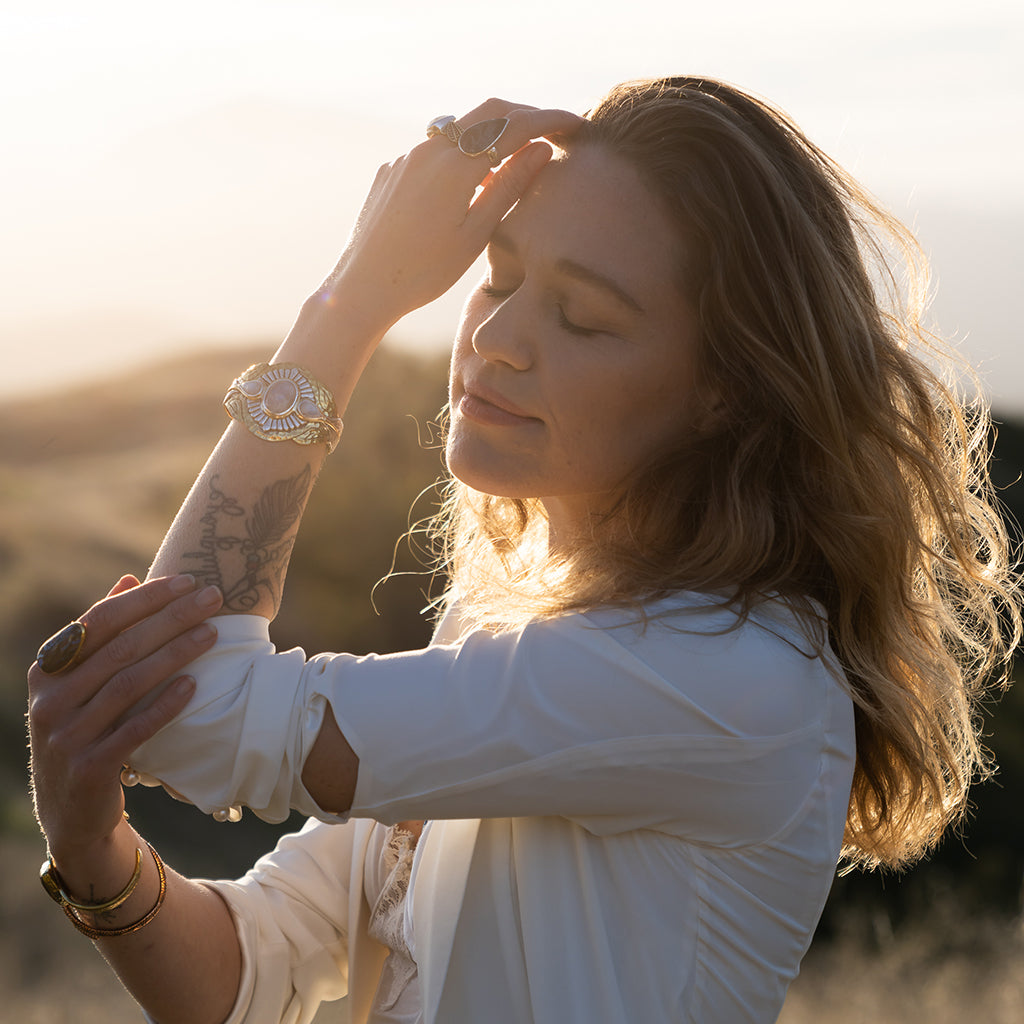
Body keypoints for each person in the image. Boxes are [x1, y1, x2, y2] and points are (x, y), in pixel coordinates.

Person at [27, 78, 1020, 1024]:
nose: (497, 335)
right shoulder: (512, 631)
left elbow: (189, 714)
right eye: (497, 276)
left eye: (583, 318)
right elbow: (251, 969)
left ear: (727, 388)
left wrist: (355, 297)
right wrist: (94, 850)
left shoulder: (719, 672)